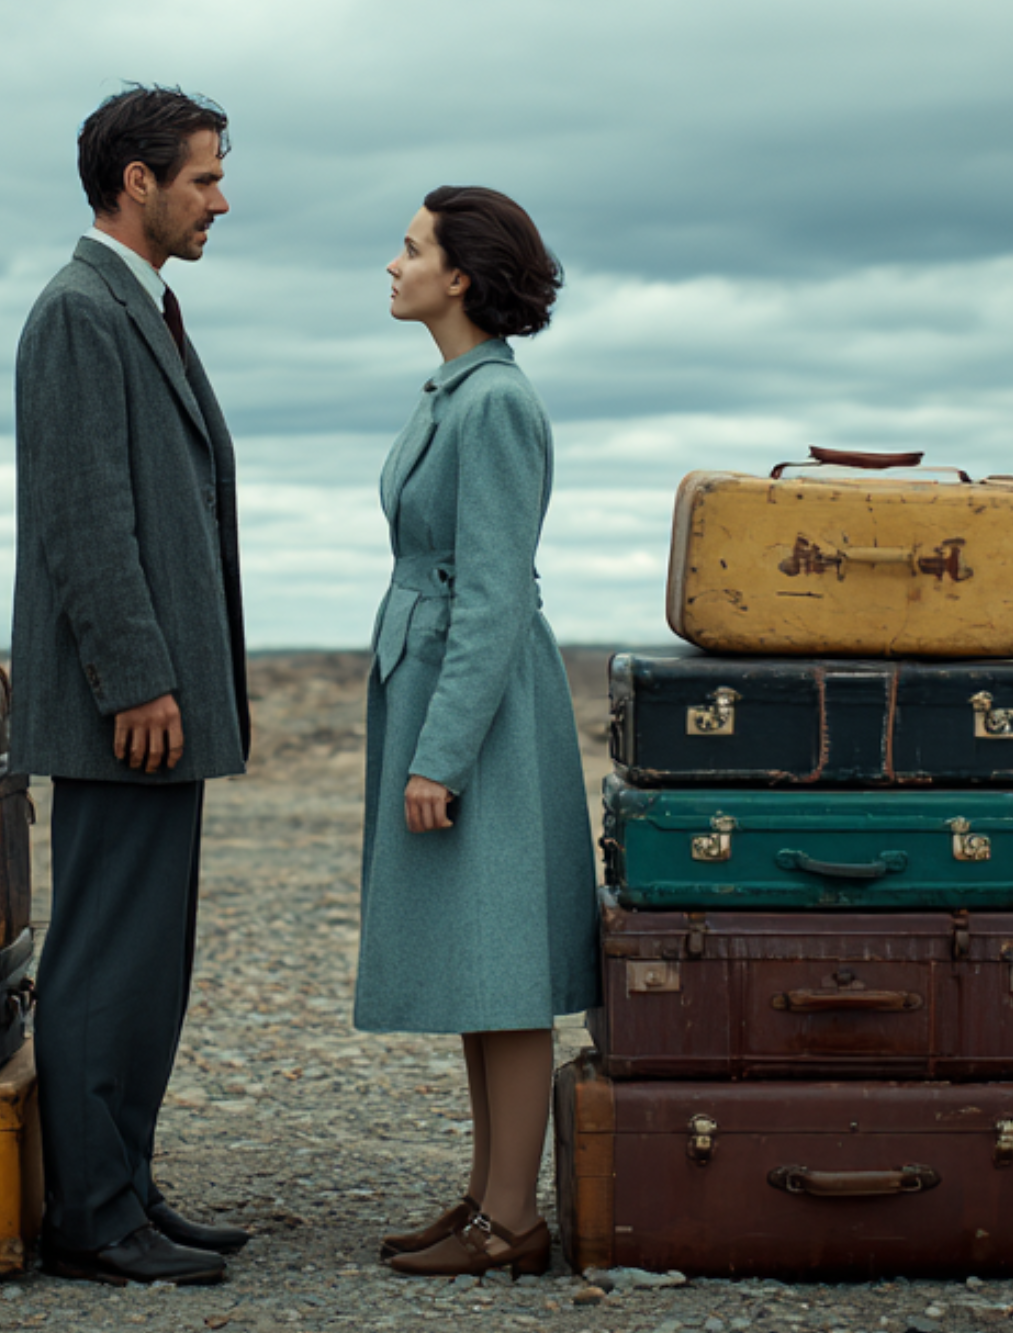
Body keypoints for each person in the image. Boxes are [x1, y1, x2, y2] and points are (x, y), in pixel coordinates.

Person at [10, 84, 252, 1288]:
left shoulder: (136, 307)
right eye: (202, 177)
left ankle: (125, 1187)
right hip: (127, 707)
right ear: (136, 182)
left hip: (158, 705)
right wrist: (136, 679)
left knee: (149, 959)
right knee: (107, 954)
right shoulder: (76, 311)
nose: (220, 198)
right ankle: (90, 1218)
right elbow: (83, 518)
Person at [356, 186, 597, 1278]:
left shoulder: (492, 401)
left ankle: (514, 1218)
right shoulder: (452, 392)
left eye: (410, 249)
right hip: (446, 682)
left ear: (459, 276)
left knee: (499, 963)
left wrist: (440, 754)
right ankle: (485, 1199)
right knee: (474, 960)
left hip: (482, 706)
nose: (392, 264)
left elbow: (494, 592)